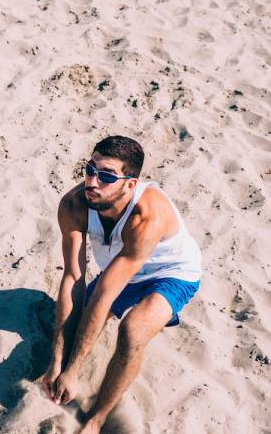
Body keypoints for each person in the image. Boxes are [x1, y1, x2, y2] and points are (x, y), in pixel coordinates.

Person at [43, 136, 202, 433]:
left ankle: (98, 418)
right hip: (123, 268)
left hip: (171, 273)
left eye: (106, 176)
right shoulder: (74, 205)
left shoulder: (146, 216)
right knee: (79, 320)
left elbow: (103, 295)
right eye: (90, 169)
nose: (92, 181)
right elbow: (73, 277)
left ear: (130, 184)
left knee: (132, 331)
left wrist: (74, 371)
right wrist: (58, 362)